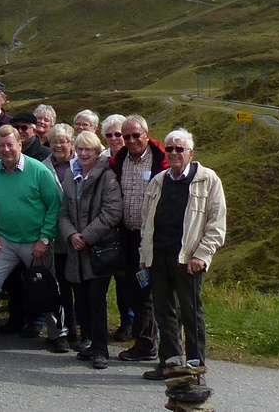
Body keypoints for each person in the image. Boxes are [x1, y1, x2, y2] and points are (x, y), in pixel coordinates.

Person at [0, 125, 65, 356]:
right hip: (5, 241)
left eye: (10, 144)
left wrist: (45, 238)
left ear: (20, 144)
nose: (6, 149)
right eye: (1, 146)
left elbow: (54, 206)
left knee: (46, 287)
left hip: (35, 242)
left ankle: (58, 334)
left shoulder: (39, 171)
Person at [140, 129, 226, 382]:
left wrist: (202, 255)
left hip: (188, 259)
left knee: (191, 313)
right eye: (169, 149)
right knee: (163, 311)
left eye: (180, 149)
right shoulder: (158, 181)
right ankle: (169, 363)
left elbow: (216, 224)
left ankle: (194, 367)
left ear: (191, 152)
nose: (174, 153)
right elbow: (147, 222)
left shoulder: (208, 179)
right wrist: (144, 254)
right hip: (159, 256)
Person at [58, 130, 122, 370]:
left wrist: (85, 236)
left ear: (98, 152)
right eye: (81, 149)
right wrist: (71, 235)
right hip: (76, 249)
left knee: (96, 299)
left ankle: (100, 350)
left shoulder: (107, 177)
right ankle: (89, 344)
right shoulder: (70, 176)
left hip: (99, 251)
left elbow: (112, 213)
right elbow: (63, 212)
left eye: (89, 150)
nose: (84, 154)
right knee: (81, 299)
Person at [111, 114, 167, 363]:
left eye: (136, 135)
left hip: (154, 238)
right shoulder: (120, 159)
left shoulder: (160, 160)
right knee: (135, 288)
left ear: (147, 134)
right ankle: (147, 341)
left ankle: (149, 344)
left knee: (151, 292)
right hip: (128, 236)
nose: (132, 140)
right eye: (127, 136)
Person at [44, 123, 80, 349]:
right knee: (58, 287)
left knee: (79, 286)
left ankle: (83, 331)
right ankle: (60, 333)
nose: (58, 145)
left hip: (78, 235)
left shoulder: (82, 164)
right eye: (54, 141)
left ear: (72, 143)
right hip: (53, 235)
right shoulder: (42, 167)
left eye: (63, 141)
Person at [100, 112, 132, 340]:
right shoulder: (101, 160)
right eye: (109, 135)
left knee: (128, 282)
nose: (114, 138)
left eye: (118, 134)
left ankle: (130, 322)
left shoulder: (133, 158)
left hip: (129, 228)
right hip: (107, 230)